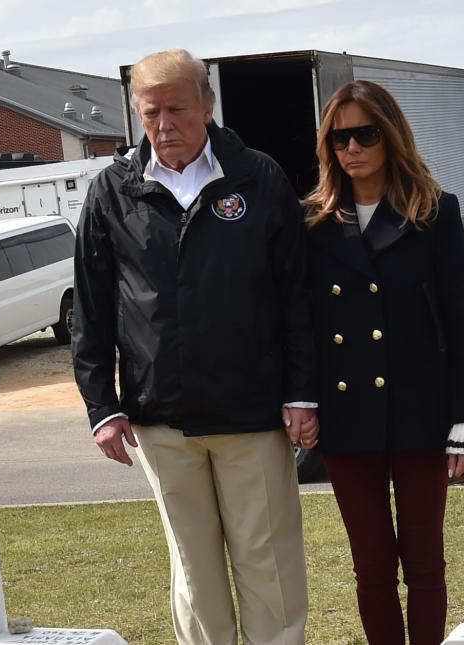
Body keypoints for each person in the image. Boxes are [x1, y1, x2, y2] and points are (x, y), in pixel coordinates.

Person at [71, 49, 318, 645]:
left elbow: (297, 296)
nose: (164, 126)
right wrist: (102, 406)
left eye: (177, 109)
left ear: (207, 105)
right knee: (194, 569)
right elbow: (91, 308)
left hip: (253, 413)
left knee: (269, 563)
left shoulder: (257, 178)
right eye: (150, 113)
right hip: (162, 419)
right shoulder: (112, 192)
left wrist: (302, 392)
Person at [302, 80, 464, 645]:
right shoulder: (312, 222)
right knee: (372, 566)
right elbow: (301, 324)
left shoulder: (433, 212)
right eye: (339, 139)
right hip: (346, 416)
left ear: (391, 136)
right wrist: (301, 399)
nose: (352, 148)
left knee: (425, 563)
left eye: (365, 134)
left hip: (420, 413)